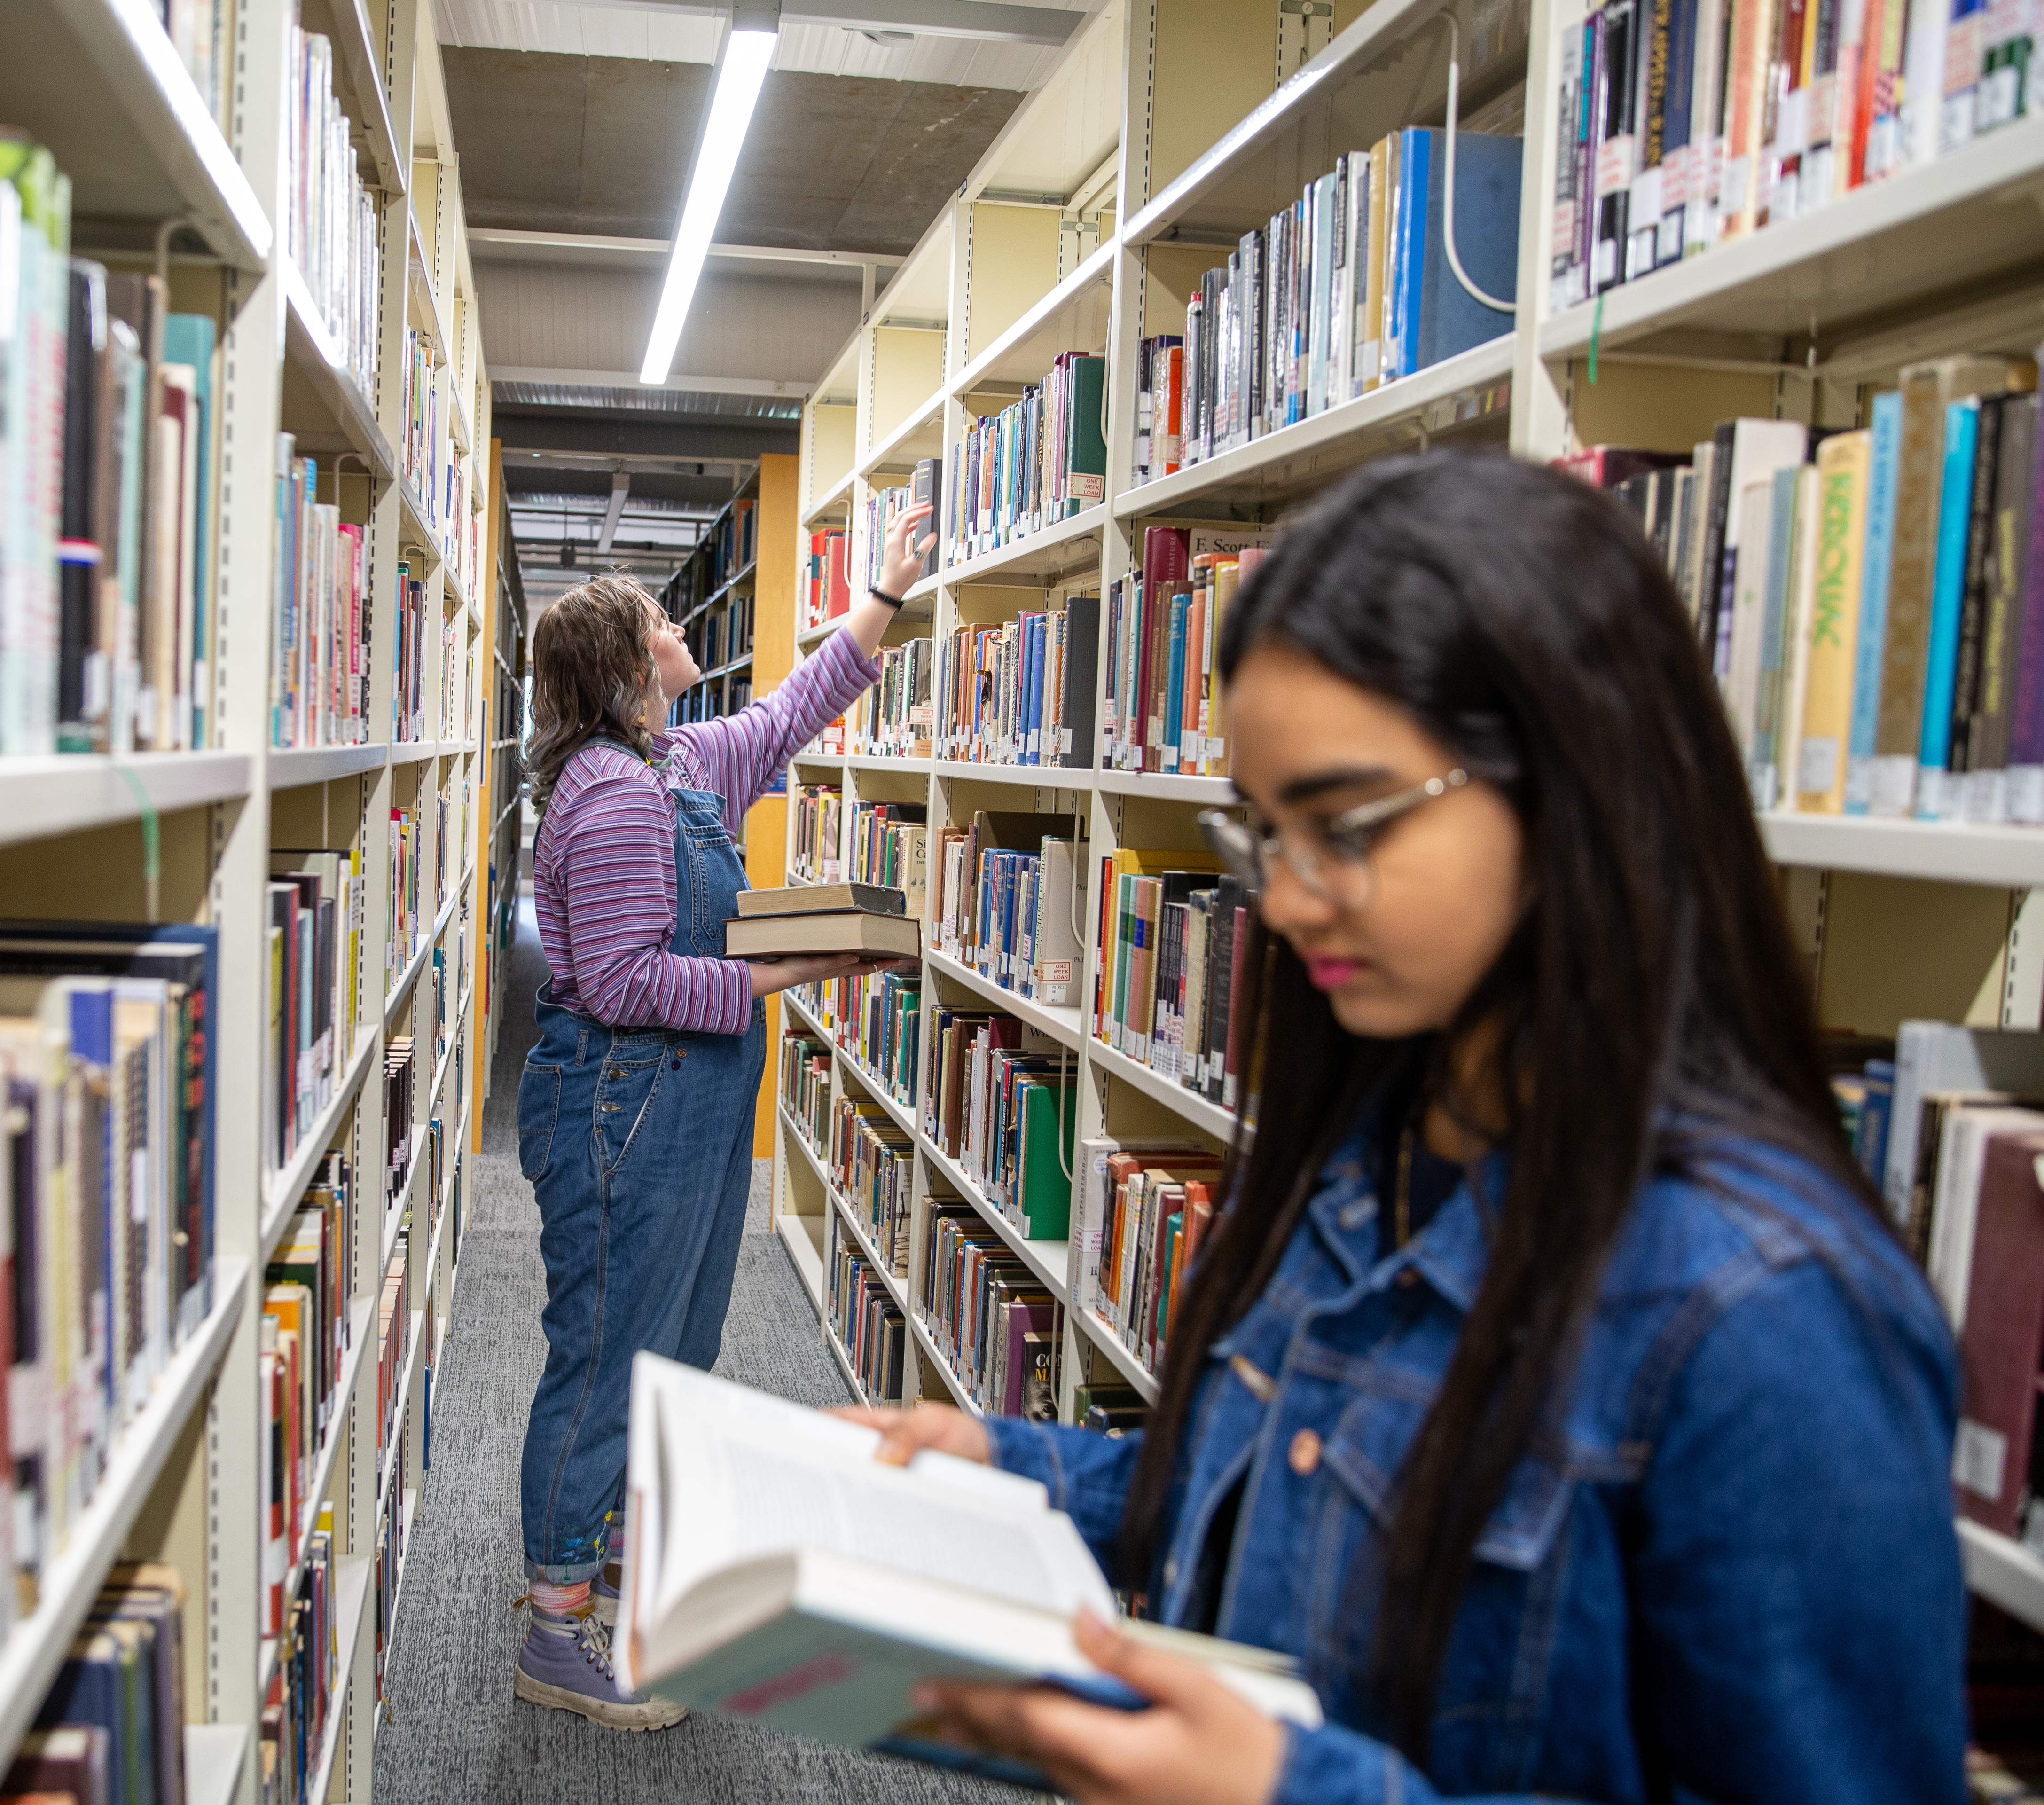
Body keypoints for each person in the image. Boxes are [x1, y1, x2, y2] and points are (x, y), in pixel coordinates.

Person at [842, 452, 1967, 1802]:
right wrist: (1014, 1470)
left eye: (1347, 825)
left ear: (1566, 778)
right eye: (1264, 837)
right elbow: (1285, 1502)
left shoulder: (1766, 1318)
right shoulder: (1379, 1142)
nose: (1291, 903)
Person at [511, 499, 935, 1729]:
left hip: (693, 1096)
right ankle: (554, 1630)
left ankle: (606, 1570)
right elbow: (630, 982)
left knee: (677, 1351)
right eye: (656, 615)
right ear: (629, 660)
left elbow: (791, 708)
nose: (677, 618)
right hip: (626, 1098)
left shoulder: (679, 761)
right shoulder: (611, 796)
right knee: (607, 1357)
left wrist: (887, 597)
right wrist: (785, 968)